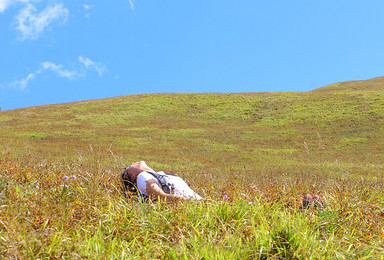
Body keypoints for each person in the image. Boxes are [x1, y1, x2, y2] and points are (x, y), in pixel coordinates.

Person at [121, 161, 202, 202]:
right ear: (132, 177)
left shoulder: (161, 175)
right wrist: (198, 203)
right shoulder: (142, 177)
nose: (132, 163)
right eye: (127, 168)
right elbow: (162, 197)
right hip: (196, 205)